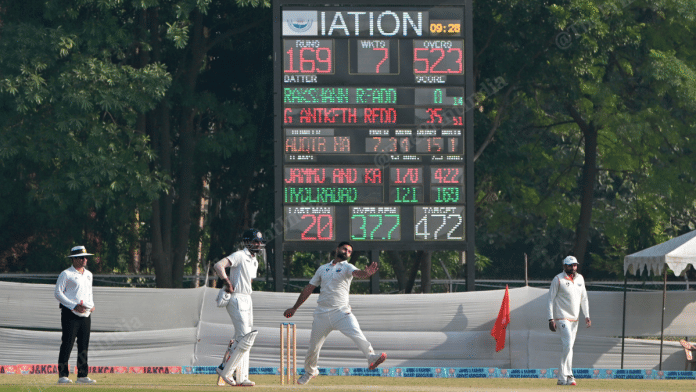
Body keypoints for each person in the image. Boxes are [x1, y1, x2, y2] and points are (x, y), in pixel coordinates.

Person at [283, 241, 387, 385]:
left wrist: (366, 273)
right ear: (337, 249)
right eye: (345, 249)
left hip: (341, 312)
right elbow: (309, 288)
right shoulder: (322, 268)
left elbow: (358, 273)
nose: (347, 252)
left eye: (350, 251)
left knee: (357, 333)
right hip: (322, 314)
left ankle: (371, 357)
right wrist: (294, 308)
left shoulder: (347, 266)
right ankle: (310, 371)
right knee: (313, 348)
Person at [213, 229, 264, 387]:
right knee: (245, 338)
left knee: (244, 339)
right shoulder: (239, 255)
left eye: (259, 241)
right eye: (255, 241)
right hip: (236, 298)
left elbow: (248, 280)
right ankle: (226, 372)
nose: (258, 244)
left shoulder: (254, 260)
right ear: (247, 242)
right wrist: (227, 282)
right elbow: (218, 265)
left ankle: (242, 377)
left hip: (247, 299)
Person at [54, 245, 97, 384]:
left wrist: (91, 304)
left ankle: (82, 375)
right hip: (70, 313)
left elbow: (88, 292)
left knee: (84, 345)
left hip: (85, 314)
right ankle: (63, 376)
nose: (85, 260)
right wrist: (73, 305)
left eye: (86, 257)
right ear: (74, 259)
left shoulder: (89, 274)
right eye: (81, 257)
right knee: (67, 343)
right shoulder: (66, 274)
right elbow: (58, 293)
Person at [547, 255, 591, 386]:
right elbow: (550, 300)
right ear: (564, 266)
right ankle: (567, 375)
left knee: (569, 347)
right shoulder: (558, 279)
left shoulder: (580, 279)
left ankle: (564, 378)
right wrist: (551, 319)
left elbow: (584, 298)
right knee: (567, 345)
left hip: (575, 318)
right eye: (570, 265)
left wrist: (587, 315)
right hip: (562, 317)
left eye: (575, 265)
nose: (573, 267)